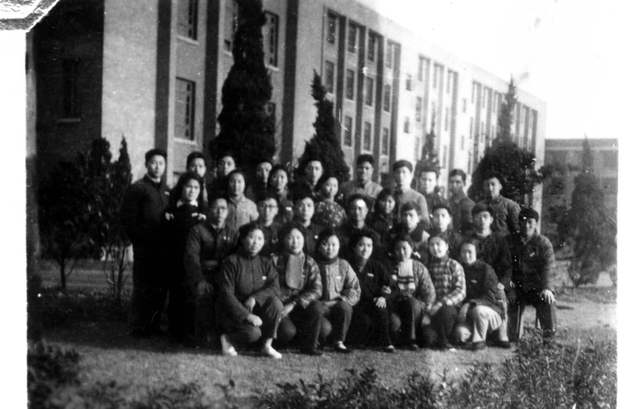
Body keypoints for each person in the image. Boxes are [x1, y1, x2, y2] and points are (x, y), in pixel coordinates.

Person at [121, 148, 170, 337]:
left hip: (163, 248)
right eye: (154, 163)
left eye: (161, 163)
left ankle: (154, 326)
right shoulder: (138, 188)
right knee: (143, 287)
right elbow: (128, 219)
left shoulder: (167, 190)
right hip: (145, 248)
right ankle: (138, 327)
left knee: (159, 288)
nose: (157, 167)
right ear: (147, 164)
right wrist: (139, 240)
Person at [216, 223, 283, 358]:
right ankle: (227, 339)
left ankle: (267, 345)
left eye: (260, 239)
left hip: (256, 309)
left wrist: (255, 298)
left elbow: (275, 287)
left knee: (276, 303)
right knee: (253, 334)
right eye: (251, 237)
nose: (255, 242)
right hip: (234, 312)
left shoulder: (266, 262)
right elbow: (226, 294)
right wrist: (247, 315)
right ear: (242, 239)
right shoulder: (231, 262)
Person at [184, 197, 239, 344]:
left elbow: (235, 259)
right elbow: (192, 257)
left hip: (224, 276)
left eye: (223, 208)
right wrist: (199, 279)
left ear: (228, 212)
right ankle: (202, 335)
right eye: (216, 208)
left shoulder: (233, 232)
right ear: (209, 210)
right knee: (203, 292)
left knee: (229, 294)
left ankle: (225, 334)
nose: (220, 212)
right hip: (203, 274)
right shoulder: (198, 230)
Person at [164, 172, 207, 343]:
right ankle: (174, 332)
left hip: (194, 262)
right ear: (181, 187)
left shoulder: (202, 213)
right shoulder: (172, 210)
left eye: (196, 187)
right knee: (175, 295)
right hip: (175, 259)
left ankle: (190, 333)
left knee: (192, 295)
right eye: (188, 186)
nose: (192, 190)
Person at [274, 223, 325, 355]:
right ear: (283, 239)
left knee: (324, 326)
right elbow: (270, 287)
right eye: (290, 238)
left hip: (300, 307)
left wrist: (294, 303)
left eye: (298, 237)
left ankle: (309, 347)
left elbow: (317, 289)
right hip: (281, 308)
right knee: (287, 332)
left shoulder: (309, 261)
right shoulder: (274, 260)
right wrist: (280, 305)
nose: (295, 242)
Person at [508, 207, 557, 342]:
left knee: (547, 299)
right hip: (516, 287)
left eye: (530, 222)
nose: (526, 225)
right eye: (523, 221)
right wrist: (509, 288)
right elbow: (505, 266)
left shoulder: (543, 243)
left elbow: (548, 267)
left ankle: (549, 338)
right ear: (519, 223)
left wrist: (547, 288)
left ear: (535, 224)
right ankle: (512, 337)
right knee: (508, 302)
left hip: (536, 288)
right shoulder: (510, 242)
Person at [346, 230, 398, 352]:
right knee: (365, 322)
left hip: (375, 306)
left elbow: (392, 287)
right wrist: (373, 296)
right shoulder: (347, 265)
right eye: (361, 245)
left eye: (369, 245)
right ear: (354, 247)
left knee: (381, 307)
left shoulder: (377, 266)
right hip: (356, 305)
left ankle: (386, 342)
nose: (365, 249)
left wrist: (383, 297)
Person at [454, 241, 510, 350]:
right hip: (469, 314)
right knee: (460, 334)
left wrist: (469, 304)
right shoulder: (459, 268)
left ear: (476, 253)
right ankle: (480, 336)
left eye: (470, 252)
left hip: (491, 311)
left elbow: (490, 297)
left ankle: (479, 341)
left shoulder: (486, 269)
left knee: (479, 310)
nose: (466, 255)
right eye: (463, 252)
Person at [315, 229, 361, 353]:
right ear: (319, 246)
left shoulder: (344, 265)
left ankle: (339, 342)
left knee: (345, 307)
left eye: (334, 244)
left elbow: (355, 289)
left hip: (337, 306)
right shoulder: (313, 264)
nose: (330, 248)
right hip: (318, 308)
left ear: (339, 246)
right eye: (325, 244)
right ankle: (318, 340)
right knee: (325, 329)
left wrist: (342, 299)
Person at [389, 235, 436, 350]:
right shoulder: (389, 266)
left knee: (428, 338)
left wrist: (426, 313)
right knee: (394, 325)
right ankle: (405, 339)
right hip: (395, 307)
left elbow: (429, 294)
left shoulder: (419, 267)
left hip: (416, 310)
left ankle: (412, 339)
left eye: (405, 248)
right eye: (397, 249)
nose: (401, 252)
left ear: (411, 248)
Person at [424, 234, 466, 349]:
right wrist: (429, 307)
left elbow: (461, 290)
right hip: (432, 307)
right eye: (432, 245)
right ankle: (437, 338)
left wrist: (441, 303)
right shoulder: (427, 267)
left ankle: (444, 341)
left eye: (438, 244)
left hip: (450, 306)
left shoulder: (454, 265)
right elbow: (425, 289)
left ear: (446, 246)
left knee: (445, 312)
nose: (435, 248)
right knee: (428, 338)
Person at [467, 204, 513, 302]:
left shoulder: (500, 240)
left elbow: (508, 267)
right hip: (474, 284)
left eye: (485, 216)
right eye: (478, 217)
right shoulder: (468, 241)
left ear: (491, 219)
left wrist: (502, 284)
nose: (482, 220)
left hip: (496, 284)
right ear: (473, 219)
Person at [336, 194, 380, 259]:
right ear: (348, 210)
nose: (356, 212)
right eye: (353, 208)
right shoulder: (339, 233)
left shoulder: (373, 235)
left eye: (360, 208)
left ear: (366, 211)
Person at [392, 160, 430, 227]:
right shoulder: (391, 195)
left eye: (404, 172)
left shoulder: (419, 197)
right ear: (394, 175)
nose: (400, 176)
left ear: (411, 175)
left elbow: (425, 221)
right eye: (398, 172)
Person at [292, 188, 322, 256]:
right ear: (295, 208)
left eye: (309, 205)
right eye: (301, 205)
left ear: (314, 209)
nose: (305, 209)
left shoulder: (320, 231)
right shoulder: (288, 230)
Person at [367, 188, 397, 253]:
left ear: (395, 203)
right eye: (383, 200)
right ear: (378, 201)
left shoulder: (396, 220)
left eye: (390, 201)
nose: (386, 204)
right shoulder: (370, 217)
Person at [448, 169, 475, 234]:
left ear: (464, 183)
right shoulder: (447, 202)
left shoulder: (469, 204)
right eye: (451, 182)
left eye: (458, 182)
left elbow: (470, 228)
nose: (454, 185)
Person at [256, 192, 281, 258]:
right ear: (257, 208)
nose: (266, 210)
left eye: (271, 206)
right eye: (263, 206)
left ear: (277, 210)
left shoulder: (282, 230)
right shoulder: (249, 229)